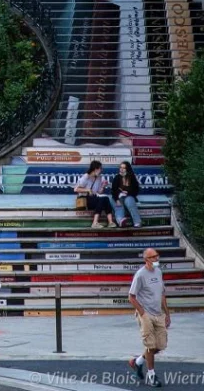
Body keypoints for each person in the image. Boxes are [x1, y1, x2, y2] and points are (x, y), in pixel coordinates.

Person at [128, 247, 171, 386]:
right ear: (146, 259)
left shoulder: (158, 272)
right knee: (150, 345)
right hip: (146, 314)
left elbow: (162, 294)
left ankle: (138, 362)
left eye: (157, 255)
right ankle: (151, 376)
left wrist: (167, 314)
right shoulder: (140, 274)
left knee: (160, 345)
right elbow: (131, 296)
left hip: (159, 313)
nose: (156, 259)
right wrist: (142, 313)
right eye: (153, 257)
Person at [74, 159, 117, 229]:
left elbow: (99, 192)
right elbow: (76, 189)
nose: (101, 170)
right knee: (102, 199)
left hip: (94, 198)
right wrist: (87, 190)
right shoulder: (86, 176)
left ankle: (110, 222)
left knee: (105, 198)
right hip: (84, 199)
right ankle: (95, 223)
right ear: (95, 169)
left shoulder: (99, 178)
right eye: (100, 168)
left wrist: (103, 186)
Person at [112, 161, 142, 228]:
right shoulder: (117, 177)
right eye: (121, 167)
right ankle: (121, 221)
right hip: (118, 197)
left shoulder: (132, 178)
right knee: (118, 206)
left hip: (128, 197)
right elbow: (113, 191)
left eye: (124, 168)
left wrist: (128, 193)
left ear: (127, 169)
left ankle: (137, 222)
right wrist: (116, 199)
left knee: (129, 201)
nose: (122, 169)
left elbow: (136, 191)